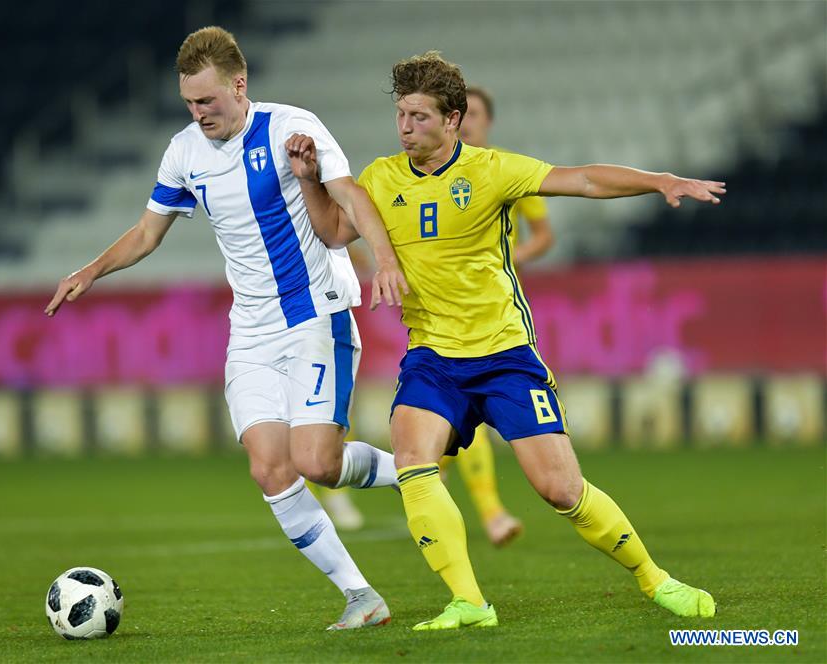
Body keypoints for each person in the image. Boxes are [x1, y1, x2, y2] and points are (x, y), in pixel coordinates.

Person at [285, 51, 722, 630]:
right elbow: (334, 231)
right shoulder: (381, 177)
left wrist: (660, 181)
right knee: (415, 460)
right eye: (401, 115)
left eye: (418, 116)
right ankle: (469, 602)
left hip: (505, 355)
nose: (405, 127)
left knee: (560, 489)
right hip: (433, 357)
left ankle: (654, 578)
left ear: (453, 119)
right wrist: (310, 181)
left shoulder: (492, 170)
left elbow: (584, 178)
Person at [45, 26, 410, 631]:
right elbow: (147, 232)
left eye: (208, 101)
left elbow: (350, 196)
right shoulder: (184, 150)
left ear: (240, 86)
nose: (198, 113)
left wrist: (386, 262)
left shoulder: (294, 126)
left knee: (316, 463)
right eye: (189, 103)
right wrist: (91, 270)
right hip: (251, 334)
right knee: (270, 467)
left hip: (314, 314)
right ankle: (360, 596)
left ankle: (408, 470)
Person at [433, 84, 557, 547]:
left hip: (497, 310)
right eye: (462, 114)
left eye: (477, 115)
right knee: (457, 408)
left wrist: (512, 253)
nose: (468, 123)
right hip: (441, 315)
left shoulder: (507, 171)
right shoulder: (428, 174)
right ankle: (488, 511)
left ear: (489, 122)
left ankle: (436, 476)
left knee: (460, 414)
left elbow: (544, 234)